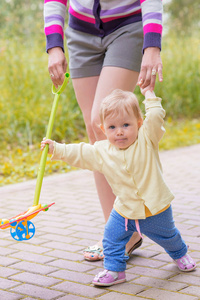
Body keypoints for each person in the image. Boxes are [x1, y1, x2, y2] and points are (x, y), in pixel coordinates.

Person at [44, 0, 163, 260]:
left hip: (127, 27)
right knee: (96, 133)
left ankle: (125, 230)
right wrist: (54, 45)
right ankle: (119, 230)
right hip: (80, 31)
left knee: (104, 119)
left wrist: (152, 45)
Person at [41, 88, 196, 286]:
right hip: (124, 210)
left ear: (139, 124)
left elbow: (156, 116)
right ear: (104, 130)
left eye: (126, 124)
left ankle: (180, 254)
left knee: (169, 237)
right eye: (112, 127)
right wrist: (56, 148)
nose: (120, 131)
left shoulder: (147, 139)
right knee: (111, 239)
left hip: (156, 209)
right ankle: (114, 271)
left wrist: (149, 94)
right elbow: (80, 152)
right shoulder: (102, 151)